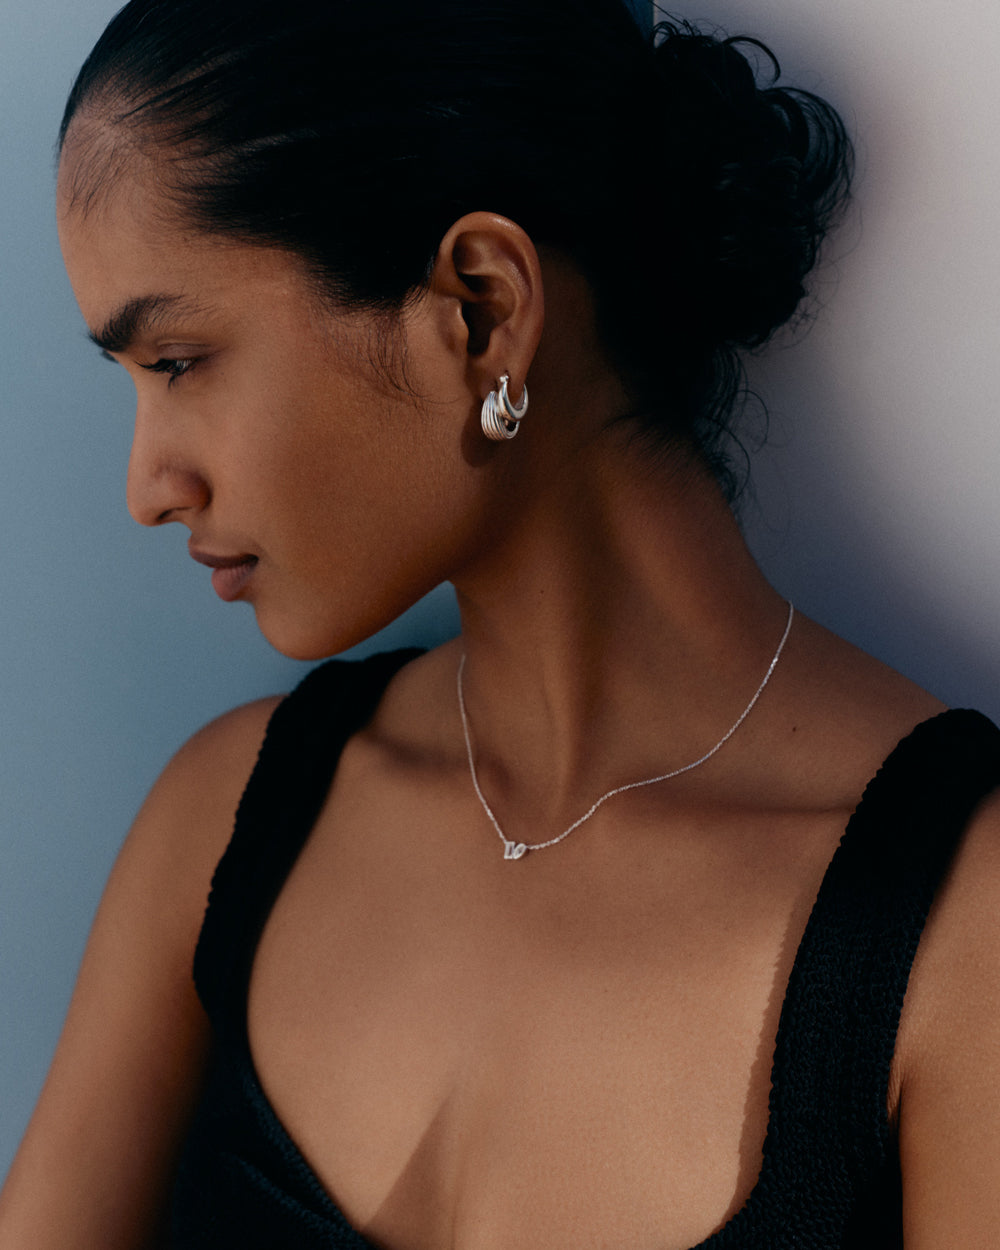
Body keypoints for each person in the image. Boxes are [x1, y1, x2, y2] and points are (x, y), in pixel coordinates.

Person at [3, 0, 1000, 1245]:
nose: (148, 486)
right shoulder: (220, 824)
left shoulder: (963, 926)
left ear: (478, 308)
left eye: (178, 361)